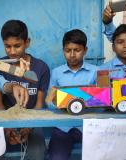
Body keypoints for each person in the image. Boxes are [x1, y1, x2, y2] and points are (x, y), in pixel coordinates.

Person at [0, 20, 49, 160]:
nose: (12, 51)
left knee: (38, 153)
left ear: (27, 42)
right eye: (7, 46)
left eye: (17, 46)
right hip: (5, 120)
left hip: (33, 121)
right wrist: (7, 128)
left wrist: (29, 127)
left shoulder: (41, 68)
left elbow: (39, 104)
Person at [47, 29, 98, 160]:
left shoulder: (96, 71)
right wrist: (63, 103)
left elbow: (102, 100)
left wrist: (84, 101)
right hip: (63, 128)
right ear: (63, 50)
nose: (72, 54)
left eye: (77, 50)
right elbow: (48, 101)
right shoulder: (56, 73)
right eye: (68, 50)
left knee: (100, 155)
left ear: (85, 50)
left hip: (89, 126)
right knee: (57, 158)